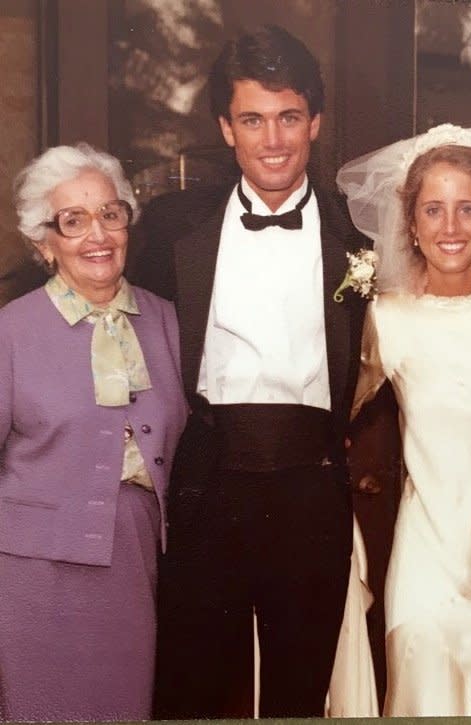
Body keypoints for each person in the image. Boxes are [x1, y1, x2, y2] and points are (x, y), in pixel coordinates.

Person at [135, 25, 370, 718]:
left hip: (313, 491)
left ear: (316, 122)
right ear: (225, 128)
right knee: (189, 694)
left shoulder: (359, 244)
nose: (273, 140)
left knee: (299, 697)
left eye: (289, 117)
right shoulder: (170, 230)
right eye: (253, 119)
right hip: (207, 487)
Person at [336, 123, 471, 716]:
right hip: (425, 566)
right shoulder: (388, 318)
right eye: (433, 210)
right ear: (410, 224)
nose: (450, 227)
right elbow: (335, 417)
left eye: (467, 209)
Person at [0, 143, 187, 721]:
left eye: (110, 214)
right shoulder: (9, 330)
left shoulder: (168, 318)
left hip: (134, 561)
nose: (97, 235)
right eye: (72, 221)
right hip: (31, 572)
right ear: (43, 243)